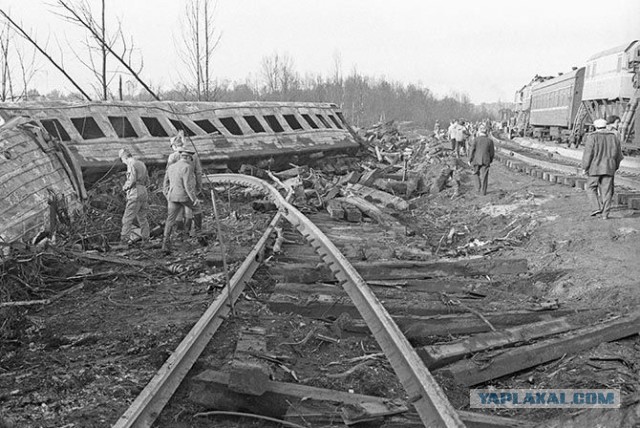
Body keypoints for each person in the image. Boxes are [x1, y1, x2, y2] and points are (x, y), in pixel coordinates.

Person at [582, 118, 624, 220]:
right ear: (606, 126)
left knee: (591, 188)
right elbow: (619, 155)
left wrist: (585, 168)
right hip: (609, 168)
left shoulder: (592, 137)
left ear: (595, 127)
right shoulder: (614, 137)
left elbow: (588, 155)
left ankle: (596, 208)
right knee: (607, 191)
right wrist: (615, 167)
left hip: (595, 168)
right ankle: (605, 214)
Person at [162, 148, 200, 254]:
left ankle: (165, 243)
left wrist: (166, 193)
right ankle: (200, 236)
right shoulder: (187, 167)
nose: (191, 160)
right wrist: (194, 199)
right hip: (183, 196)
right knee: (197, 210)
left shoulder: (171, 167)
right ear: (187, 157)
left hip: (172, 195)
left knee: (170, 219)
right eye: (190, 158)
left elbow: (165, 181)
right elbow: (187, 185)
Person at [166, 132, 204, 235]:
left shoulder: (172, 156)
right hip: (190, 186)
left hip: (175, 188)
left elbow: (167, 174)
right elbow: (198, 172)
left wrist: (166, 189)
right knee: (190, 209)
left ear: (174, 146)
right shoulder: (193, 155)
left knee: (177, 212)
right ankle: (195, 232)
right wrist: (199, 186)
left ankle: (181, 233)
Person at [118, 148, 150, 248]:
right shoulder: (141, 163)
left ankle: (124, 242)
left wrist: (124, 187)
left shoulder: (131, 164)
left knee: (127, 218)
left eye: (122, 160)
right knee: (142, 218)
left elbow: (131, 180)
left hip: (134, 193)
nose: (123, 162)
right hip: (144, 192)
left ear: (125, 157)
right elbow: (148, 181)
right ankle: (146, 240)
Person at [468, 124, 495, 195]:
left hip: (476, 160)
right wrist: (490, 160)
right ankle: (483, 192)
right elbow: (492, 152)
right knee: (485, 176)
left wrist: (469, 159)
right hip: (486, 160)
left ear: (479, 132)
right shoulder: (490, 141)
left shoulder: (475, 140)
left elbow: (472, 150)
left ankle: (477, 187)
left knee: (475, 173)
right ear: (486, 133)